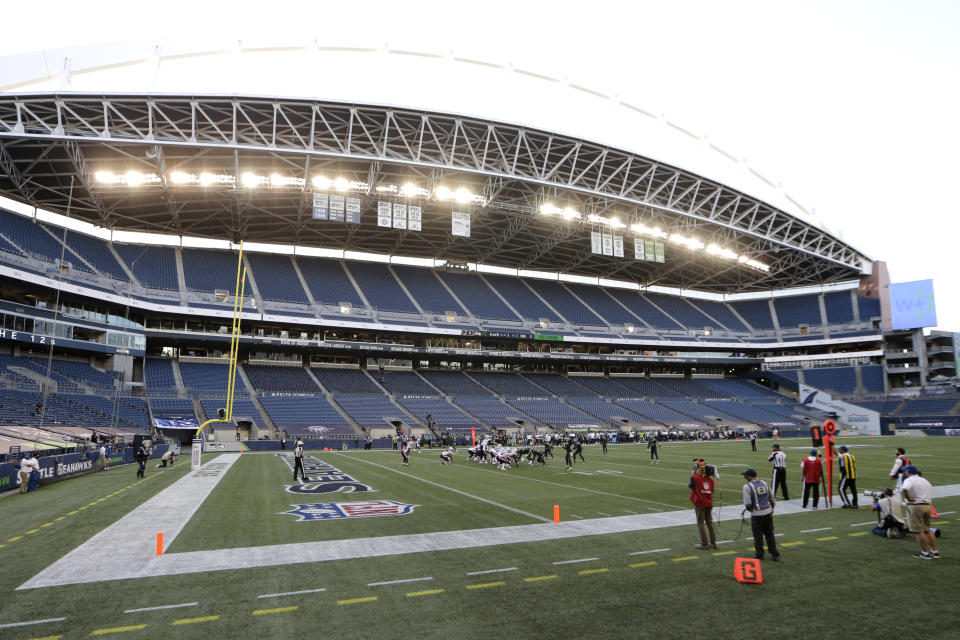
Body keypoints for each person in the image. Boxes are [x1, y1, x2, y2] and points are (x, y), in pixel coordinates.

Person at [901, 466, 940, 559]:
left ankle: (925, 553)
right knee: (927, 530)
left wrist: (908, 498)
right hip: (927, 506)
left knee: (918, 531)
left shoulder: (909, 480)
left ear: (908, 472)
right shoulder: (924, 480)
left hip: (916, 507)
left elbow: (904, 490)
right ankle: (935, 551)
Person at [741, 468, 779, 561]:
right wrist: (772, 509)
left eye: (745, 475)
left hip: (757, 515)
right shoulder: (765, 483)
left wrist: (751, 510)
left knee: (758, 535)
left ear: (749, 477)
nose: (744, 477)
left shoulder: (747, 486)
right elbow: (772, 498)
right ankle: (774, 553)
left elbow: (748, 503)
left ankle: (760, 554)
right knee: (769, 534)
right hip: (768, 512)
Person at [690, 461, 717, 550]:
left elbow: (691, 485)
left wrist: (693, 472)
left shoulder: (695, 477)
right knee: (709, 522)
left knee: (701, 523)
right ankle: (713, 543)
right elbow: (712, 491)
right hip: (709, 502)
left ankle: (704, 543)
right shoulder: (710, 480)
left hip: (700, 503)